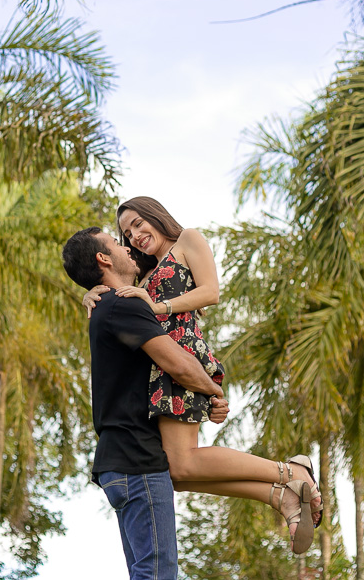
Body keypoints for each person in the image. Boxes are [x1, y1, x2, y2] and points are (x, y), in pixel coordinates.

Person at [81, 197, 323, 554]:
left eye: (138, 223)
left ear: (155, 216)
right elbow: (119, 292)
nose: (134, 235)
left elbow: (211, 292)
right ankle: (279, 496)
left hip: (182, 356)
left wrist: (158, 306)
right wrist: (90, 293)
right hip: (158, 370)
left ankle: (291, 472)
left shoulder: (188, 240)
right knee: (178, 473)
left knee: (185, 462)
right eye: (127, 233)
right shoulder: (144, 274)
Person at [62, 227, 229, 579]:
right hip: (137, 461)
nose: (127, 247)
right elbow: (179, 364)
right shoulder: (123, 304)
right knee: (156, 573)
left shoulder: (106, 306)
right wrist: (214, 392)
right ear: (104, 259)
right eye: (117, 242)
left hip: (119, 463)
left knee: (147, 572)